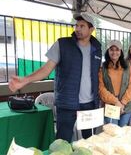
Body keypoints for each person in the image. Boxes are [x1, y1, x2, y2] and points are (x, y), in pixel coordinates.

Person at [8, 12, 102, 142]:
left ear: (91, 29)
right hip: (67, 104)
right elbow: (46, 70)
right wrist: (25, 80)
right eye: (77, 26)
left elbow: (98, 75)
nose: (78, 29)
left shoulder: (97, 48)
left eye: (82, 26)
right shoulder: (62, 44)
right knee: (62, 141)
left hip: (89, 104)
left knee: (90, 141)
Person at [98, 40, 131, 127]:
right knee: (112, 133)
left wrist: (122, 102)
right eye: (111, 49)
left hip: (126, 106)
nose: (114, 52)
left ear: (121, 51)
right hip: (111, 106)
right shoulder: (103, 67)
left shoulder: (127, 65)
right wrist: (116, 102)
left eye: (117, 49)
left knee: (123, 133)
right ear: (108, 51)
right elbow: (101, 89)